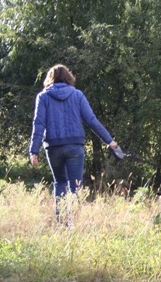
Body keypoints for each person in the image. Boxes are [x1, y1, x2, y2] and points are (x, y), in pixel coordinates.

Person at [29, 64, 118, 223]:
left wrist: (33, 151)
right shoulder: (77, 95)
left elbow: (39, 124)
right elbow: (91, 120)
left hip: (53, 147)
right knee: (75, 185)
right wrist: (109, 141)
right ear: (68, 77)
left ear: (50, 78)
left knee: (60, 183)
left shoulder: (43, 97)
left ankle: (61, 223)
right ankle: (74, 223)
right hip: (75, 147)